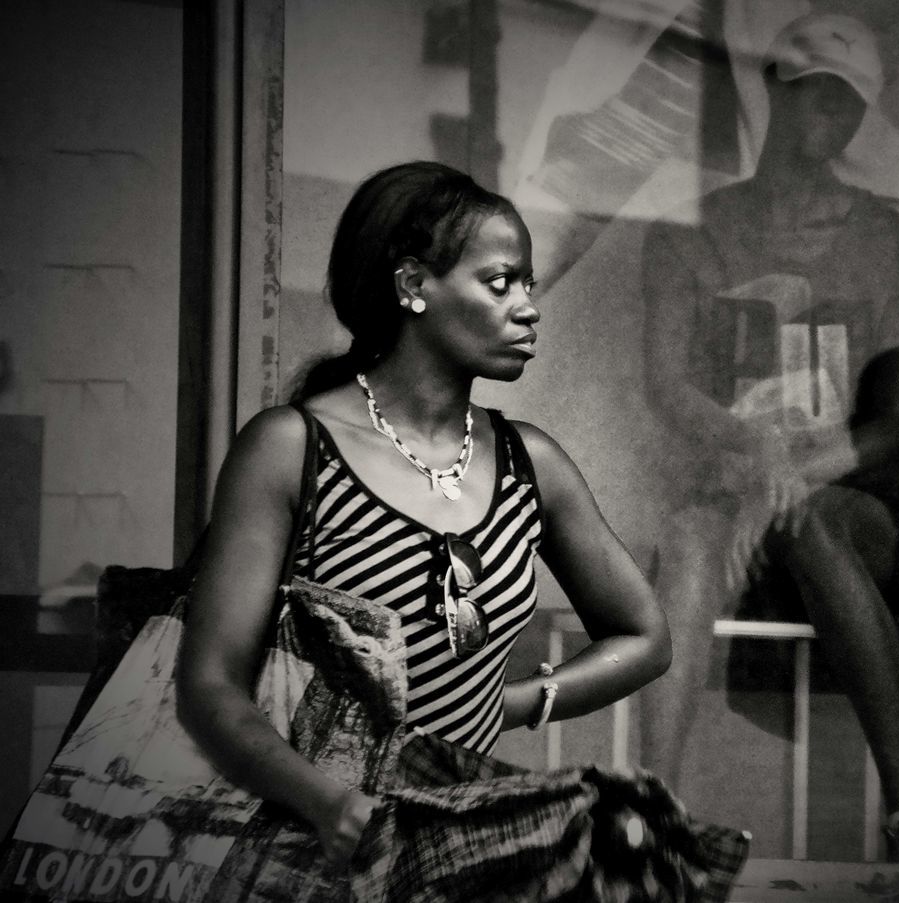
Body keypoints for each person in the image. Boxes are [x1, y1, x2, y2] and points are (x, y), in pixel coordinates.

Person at [175, 162, 674, 872]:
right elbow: (209, 683)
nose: (528, 306)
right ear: (413, 286)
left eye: (529, 284)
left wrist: (514, 702)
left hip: (445, 852)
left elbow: (647, 637)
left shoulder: (531, 464)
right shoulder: (293, 449)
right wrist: (325, 801)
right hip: (297, 851)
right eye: (501, 282)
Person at [637, 13, 899, 864]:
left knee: (810, 520)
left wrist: (791, 476)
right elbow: (665, 385)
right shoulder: (689, 231)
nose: (835, 117)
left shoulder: (893, 241)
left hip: (859, 514)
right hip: (735, 503)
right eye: (819, 94)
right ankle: (650, 813)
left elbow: (892, 423)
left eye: (852, 104)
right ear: (774, 81)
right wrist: (756, 453)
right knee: (687, 535)